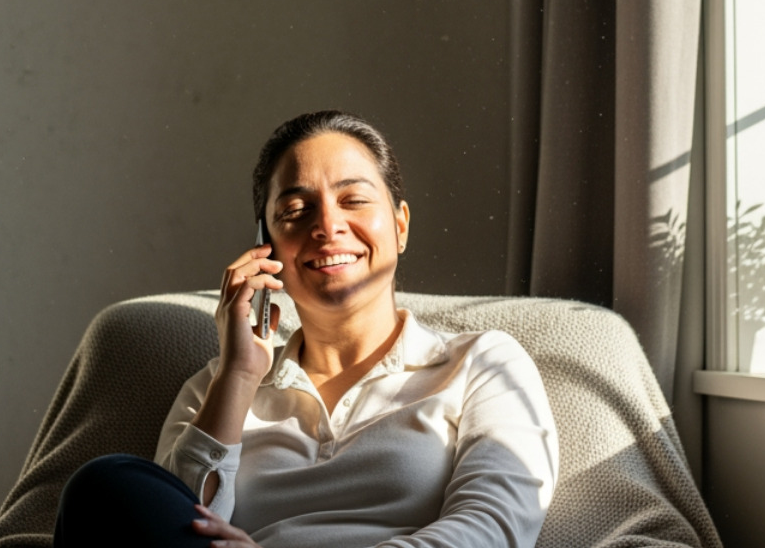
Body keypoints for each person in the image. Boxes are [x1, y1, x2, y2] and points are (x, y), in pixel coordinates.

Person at [52, 110, 559, 548]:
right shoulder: (214, 388)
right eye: (295, 210)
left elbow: (493, 528)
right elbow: (170, 526)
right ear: (266, 247)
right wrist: (238, 374)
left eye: (354, 200)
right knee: (108, 486)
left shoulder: (481, 364)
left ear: (400, 226)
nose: (327, 225)